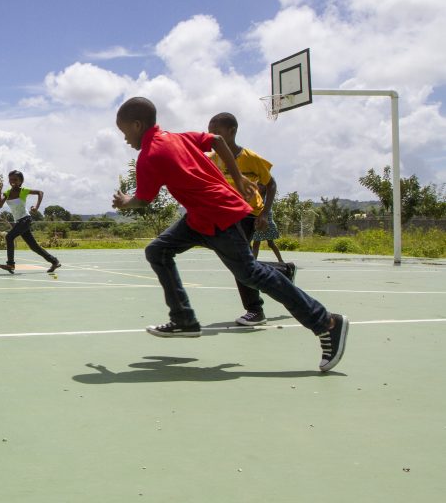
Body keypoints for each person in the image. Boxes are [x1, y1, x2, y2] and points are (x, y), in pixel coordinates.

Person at [111, 97, 347, 371]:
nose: (125, 139)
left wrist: (124, 200)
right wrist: (236, 177)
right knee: (158, 250)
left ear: (138, 125)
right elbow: (217, 142)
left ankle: (327, 322)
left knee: (250, 273)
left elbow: (142, 200)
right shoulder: (178, 138)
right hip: (200, 218)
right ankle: (183, 319)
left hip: (219, 214)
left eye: (124, 131)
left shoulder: (150, 155)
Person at [207, 112, 295, 326]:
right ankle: (281, 270)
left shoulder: (252, 159)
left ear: (232, 131)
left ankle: (255, 310)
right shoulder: (211, 159)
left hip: (247, 213)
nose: (213, 138)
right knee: (239, 259)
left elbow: (271, 184)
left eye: (217, 133)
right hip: (225, 214)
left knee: (238, 261)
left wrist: (265, 212)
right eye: (210, 133)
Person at [0, 170, 61, 274]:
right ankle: (54, 261)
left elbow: (40, 192)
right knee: (34, 247)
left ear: (21, 181)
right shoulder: (7, 193)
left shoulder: (23, 191)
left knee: (9, 237)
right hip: (20, 222)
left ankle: (11, 264)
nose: (13, 181)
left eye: (15, 179)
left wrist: (36, 206)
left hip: (25, 220)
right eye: (11, 179)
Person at [252, 189, 286, 263]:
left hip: (265, 223)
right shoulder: (260, 198)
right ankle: (254, 261)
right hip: (262, 223)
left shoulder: (264, 200)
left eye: (260, 185)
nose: (258, 186)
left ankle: (280, 260)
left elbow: (262, 212)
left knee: (268, 243)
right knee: (258, 243)